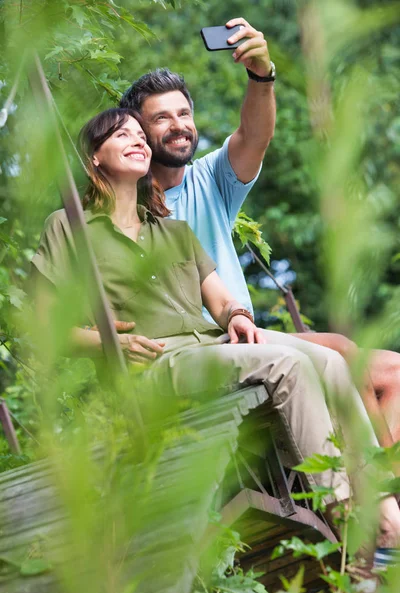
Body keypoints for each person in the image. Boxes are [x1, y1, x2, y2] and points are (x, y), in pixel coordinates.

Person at [31, 107, 400, 550]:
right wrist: (108, 343)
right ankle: (346, 522)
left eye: (139, 135)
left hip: (208, 344)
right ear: (94, 159)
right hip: (155, 361)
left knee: (331, 359)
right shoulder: (69, 228)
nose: (138, 140)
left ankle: (380, 509)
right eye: (121, 134)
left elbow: (221, 300)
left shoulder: (175, 232)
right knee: (287, 364)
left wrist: (238, 317)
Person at [119, 19, 400, 442]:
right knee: (343, 352)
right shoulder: (125, 210)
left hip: (248, 333)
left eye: (184, 113)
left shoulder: (209, 178)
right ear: (139, 132)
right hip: (201, 347)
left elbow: (255, 134)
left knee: (393, 372)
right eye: (162, 118)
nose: (178, 124)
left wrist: (260, 75)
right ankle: (376, 491)